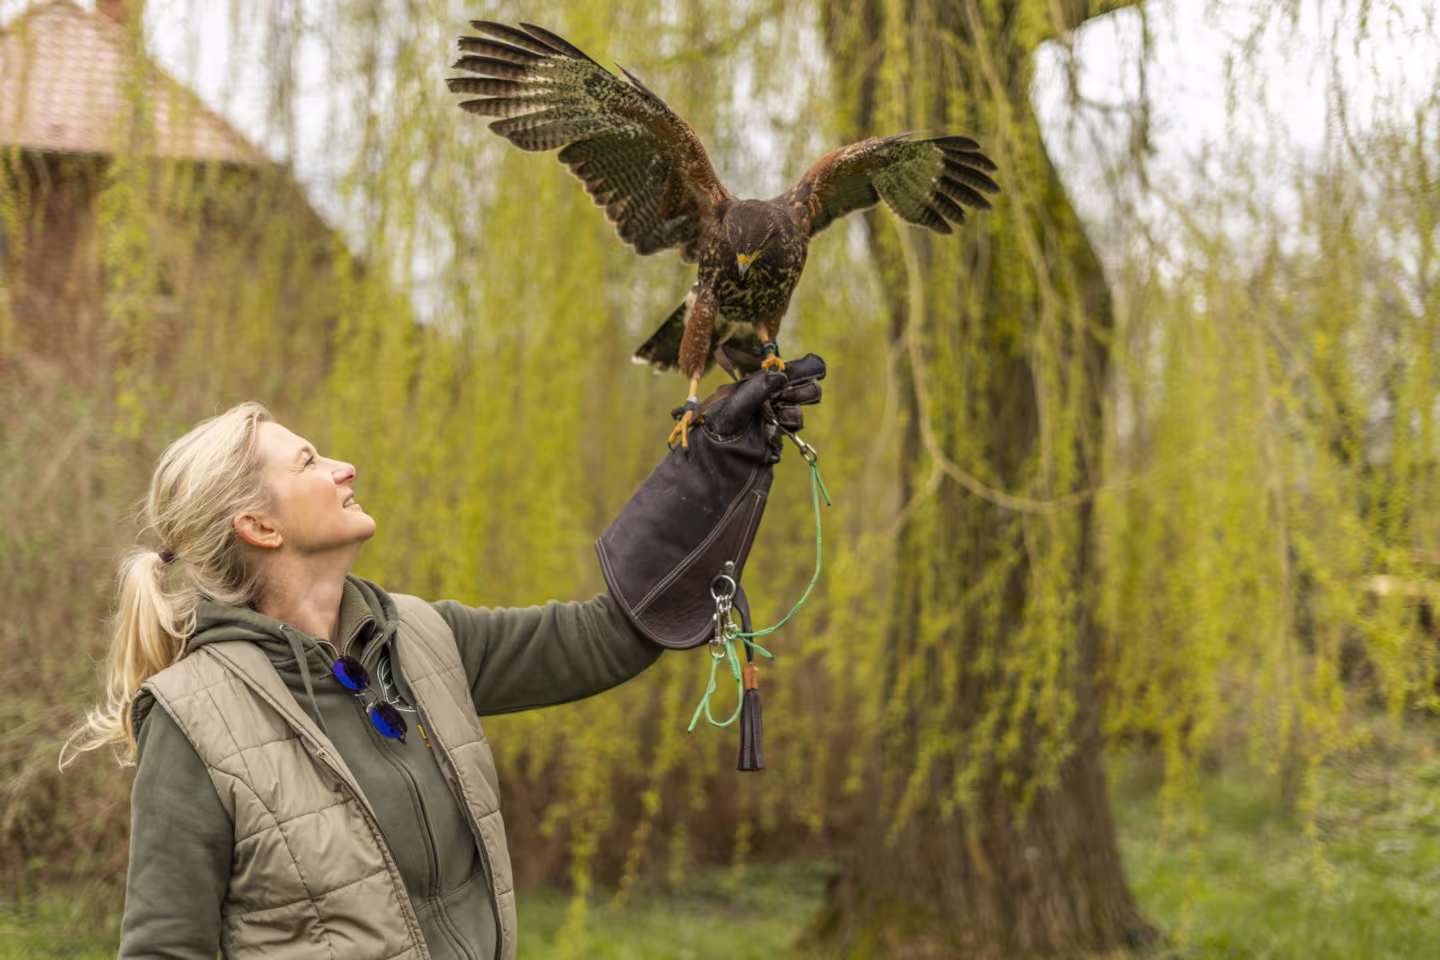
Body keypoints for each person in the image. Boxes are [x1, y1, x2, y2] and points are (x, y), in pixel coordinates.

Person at [63, 354, 825, 960]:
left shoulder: (423, 640)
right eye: (309, 462)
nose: (343, 467)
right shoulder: (193, 721)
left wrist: (711, 466)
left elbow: (606, 638)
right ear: (260, 527)